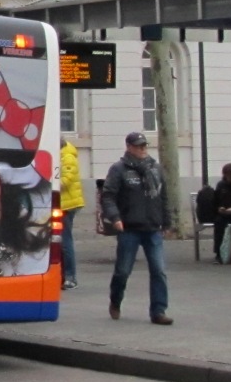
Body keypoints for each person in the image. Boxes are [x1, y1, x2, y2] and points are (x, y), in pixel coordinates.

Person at [100, 131, 173, 325]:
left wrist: (166, 221)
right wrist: (115, 217)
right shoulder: (119, 169)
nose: (142, 149)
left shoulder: (155, 169)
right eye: (139, 146)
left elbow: (163, 196)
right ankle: (115, 300)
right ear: (129, 147)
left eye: (144, 145)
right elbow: (108, 196)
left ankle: (158, 310)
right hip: (129, 228)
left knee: (158, 270)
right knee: (123, 271)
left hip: (152, 227)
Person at [60, 139, 85, 289]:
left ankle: (70, 276)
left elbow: (66, 180)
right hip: (64, 202)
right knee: (61, 241)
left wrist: (49, 185)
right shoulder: (62, 154)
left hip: (68, 204)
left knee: (65, 241)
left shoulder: (67, 156)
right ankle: (64, 275)